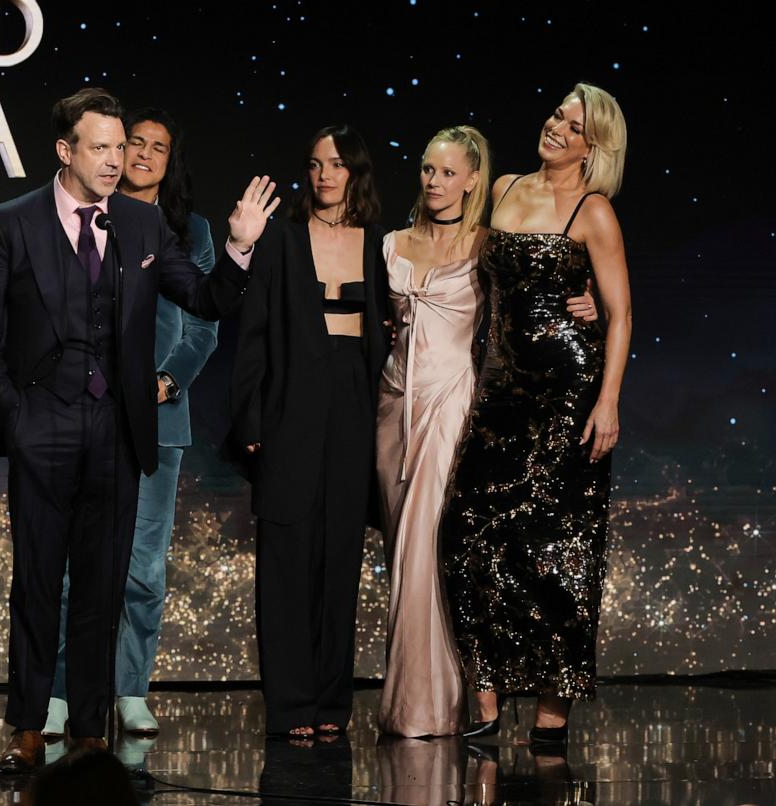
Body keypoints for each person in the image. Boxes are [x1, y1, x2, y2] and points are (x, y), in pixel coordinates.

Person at [0, 87, 278, 772]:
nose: (116, 160)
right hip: (41, 422)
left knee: (105, 585)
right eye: (102, 147)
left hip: (116, 427)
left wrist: (238, 249)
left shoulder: (140, 227)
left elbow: (203, 299)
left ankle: (92, 731)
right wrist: (16, 419)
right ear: (65, 150)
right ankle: (27, 724)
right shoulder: (12, 223)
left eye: (120, 147)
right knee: (40, 582)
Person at [376, 127, 597, 738]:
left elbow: (545, 283)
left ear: (473, 179)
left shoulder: (486, 245)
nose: (434, 181)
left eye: (448, 172)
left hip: (455, 402)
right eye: (427, 169)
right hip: (394, 407)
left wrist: (591, 301)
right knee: (403, 550)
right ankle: (429, 700)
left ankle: (433, 708)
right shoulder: (390, 243)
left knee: (435, 546)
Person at [441, 83, 631, 745]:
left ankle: (552, 718)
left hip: (566, 396)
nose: (555, 126)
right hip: (498, 394)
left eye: (571, 124)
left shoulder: (594, 210)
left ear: (593, 145)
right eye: (555, 112)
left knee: (557, 554)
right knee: (465, 539)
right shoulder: (505, 188)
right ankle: (486, 704)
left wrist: (607, 401)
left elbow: (622, 313)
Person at [44, 107, 219, 738]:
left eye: (157, 146)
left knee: (143, 568)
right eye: (132, 142)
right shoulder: (76, 218)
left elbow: (203, 324)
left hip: (159, 420)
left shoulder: (187, 230)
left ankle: (129, 688)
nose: (141, 154)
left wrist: (166, 383)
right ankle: (61, 693)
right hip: (83, 418)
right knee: (71, 567)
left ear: (171, 162)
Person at [230, 125, 391, 737]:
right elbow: (253, 336)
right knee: (287, 553)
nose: (325, 175)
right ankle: (292, 704)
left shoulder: (382, 243)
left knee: (340, 555)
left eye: (337, 164)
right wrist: (249, 417)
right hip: (290, 403)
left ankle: (331, 703)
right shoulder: (281, 240)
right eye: (316, 163)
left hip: (356, 403)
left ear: (356, 172)